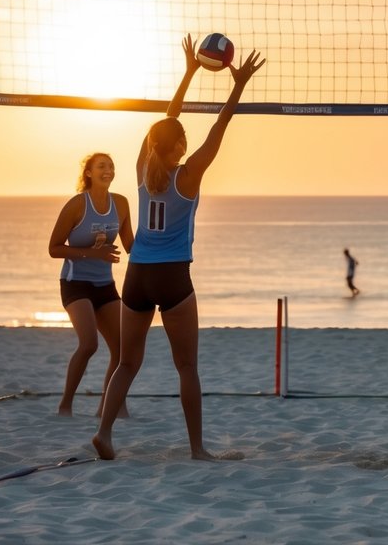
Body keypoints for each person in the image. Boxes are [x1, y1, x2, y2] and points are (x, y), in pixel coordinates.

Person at [92, 34, 265, 461]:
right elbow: (219, 128)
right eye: (182, 139)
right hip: (173, 276)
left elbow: (164, 123)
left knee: (126, 364)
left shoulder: (140, 166)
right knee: (186, 367)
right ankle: (197, 449)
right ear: (179, 148)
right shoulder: (187, 176)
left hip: (136, 276)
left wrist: (187, 74)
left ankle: (105, 432)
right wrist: (237, 85)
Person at [48, 153, 133, 416]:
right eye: (101, 166)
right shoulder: (77, 205)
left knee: (123, 350)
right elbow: (54, 248)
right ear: (88, 173)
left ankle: (110, 407)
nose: (108, 170)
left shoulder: (120, 203)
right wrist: (94, 253)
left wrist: (159, 248)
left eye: (111, 166)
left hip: (105, 285)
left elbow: (130, 245)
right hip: (76, 284)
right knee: (89, 344)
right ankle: (65, 405)